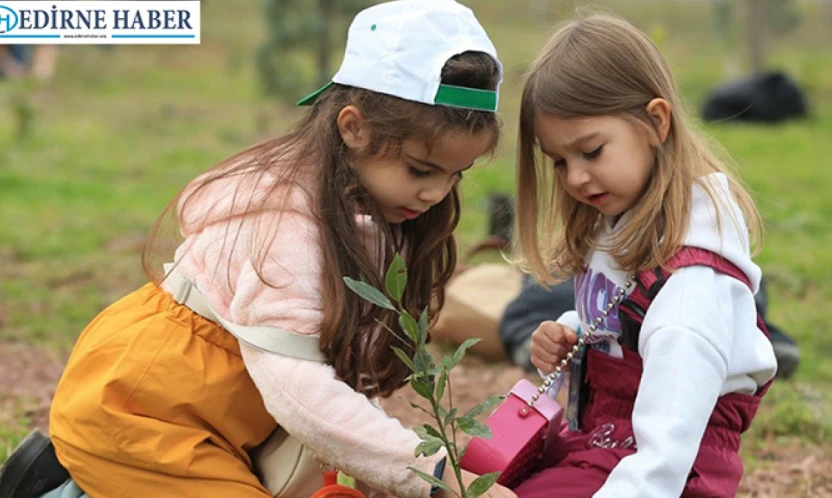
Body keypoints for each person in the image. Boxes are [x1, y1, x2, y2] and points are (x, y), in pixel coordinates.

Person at [0, 1, 517, 497]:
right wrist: (430, 472)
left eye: (457, 174)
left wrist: (392, 467)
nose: (437, 194)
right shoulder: (279, 225)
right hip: (140, 411)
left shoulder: (371, 213)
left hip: (231, 422)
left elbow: (340, 379)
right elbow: (300, 391)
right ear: (353, 128)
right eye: (421, 170)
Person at [512, 13, 777, 498]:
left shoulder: (691, 291)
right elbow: (626, 317)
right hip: (607, 438)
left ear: (655, 122)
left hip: (667, 470)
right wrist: (575, 333)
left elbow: (664, 458)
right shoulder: (622, 218)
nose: (573, 178)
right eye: (559, 161)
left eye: (590, 151)